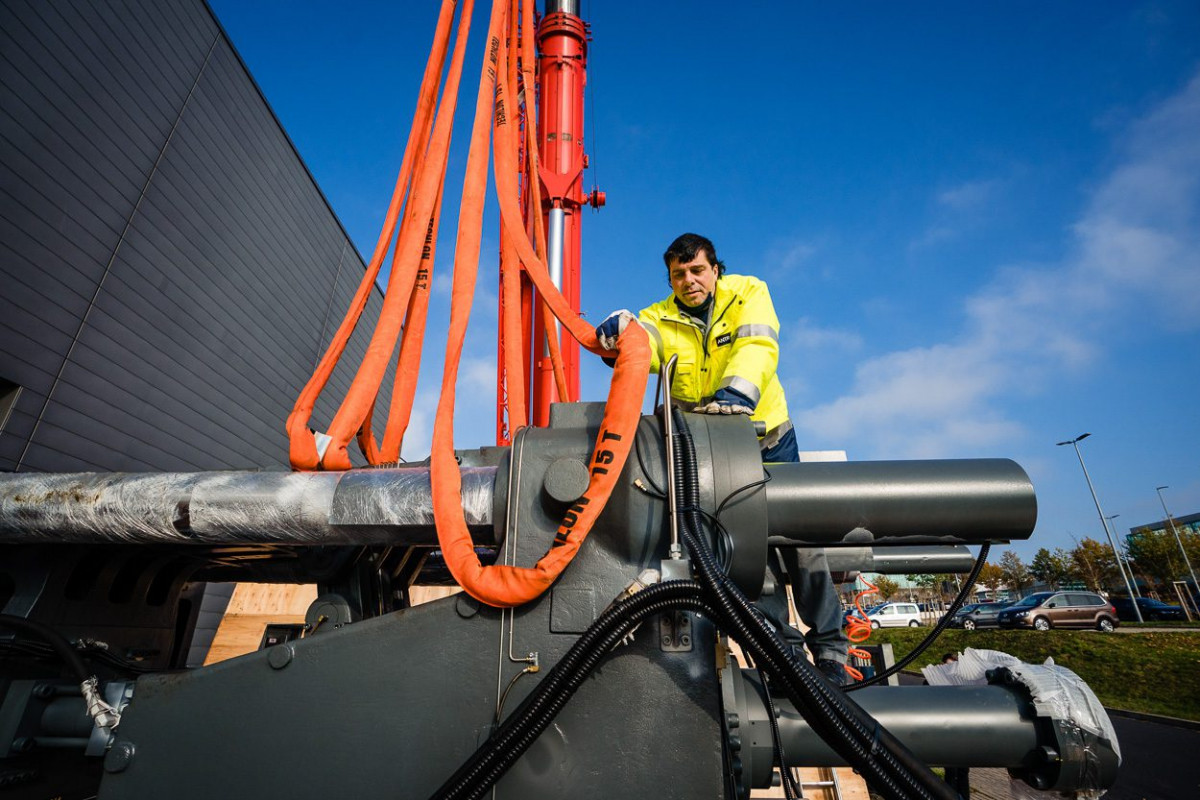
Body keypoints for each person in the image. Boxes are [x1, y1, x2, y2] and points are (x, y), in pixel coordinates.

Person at [595, 232, 850, 685]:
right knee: (753, 558)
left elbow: (758, 346)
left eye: (697, 270)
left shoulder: (749, 293)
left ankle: (831, 652)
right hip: (719, 460)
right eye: (679, 274)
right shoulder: (662, 317)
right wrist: (619, 331)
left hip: (767, 441)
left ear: (715, 269)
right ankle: (783, 659)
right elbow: (641, 345)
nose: (689, 281)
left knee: (803, 549)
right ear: (670, 279)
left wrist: (738, 394)